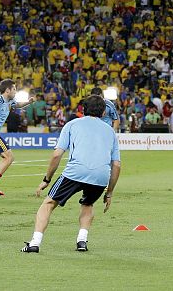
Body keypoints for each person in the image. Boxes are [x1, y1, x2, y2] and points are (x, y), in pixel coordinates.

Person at [21, 95, 121, 253]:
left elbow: (56, 155)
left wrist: (47, 179)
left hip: (75, 172)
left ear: (82, 110)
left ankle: (35, 243)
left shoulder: (72, 124)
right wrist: (109, 193)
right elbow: (116, 165)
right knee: (88, 204)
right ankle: (82, 241)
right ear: (103, 113)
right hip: (101, 176)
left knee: (48, 204)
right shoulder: (110, 132)